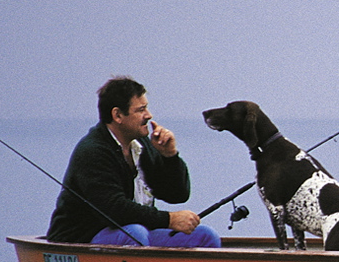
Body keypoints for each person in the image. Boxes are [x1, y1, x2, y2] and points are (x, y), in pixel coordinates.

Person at [47, 76, 221, 247]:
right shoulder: (93, 151)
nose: (149, 115)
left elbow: (177, 195)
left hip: (139, 232)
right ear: (117, 115)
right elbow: (114, 210)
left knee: (205, 235)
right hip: (83, 238)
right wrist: (169, 219)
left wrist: (170, 157)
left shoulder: (142, 144)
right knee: (135, 234)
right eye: (141, 110)